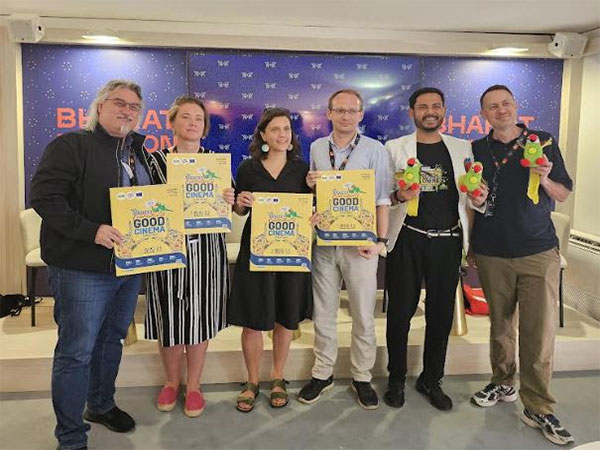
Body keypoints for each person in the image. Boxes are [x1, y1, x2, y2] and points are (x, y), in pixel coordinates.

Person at [30, 79, 152, 450]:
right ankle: (69, 438)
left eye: (134, 106)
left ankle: (100, 405)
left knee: (111, 341)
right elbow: (44, 198)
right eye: (119, 103)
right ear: (99, 107)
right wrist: (91, 230)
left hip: (126, 268)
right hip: (80, 267)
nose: (127, 110)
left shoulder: (138, 153)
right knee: (76, 351)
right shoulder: (71, 145)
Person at [469, 85, 574, 446]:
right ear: (483, 114)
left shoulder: (542, 141)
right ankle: (502, 384)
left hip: (537, 250)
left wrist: (544, 176)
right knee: (500, 326)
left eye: (506, 104)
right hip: (491, 251)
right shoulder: (477, 149)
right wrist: (475, 205)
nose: (501, 111)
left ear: (516, 107)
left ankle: (539, 406)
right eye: (493, 107)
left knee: (538, 331)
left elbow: (562, 193)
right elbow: (475, 201)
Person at [383, 87, 487, 411]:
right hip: (407, 239)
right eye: (423, 106)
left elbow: (470, 194)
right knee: (399, 314)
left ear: (444, 110)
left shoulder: (462, 147)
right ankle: (396, 379)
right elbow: (383, 195)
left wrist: (479, 199)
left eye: (436, 106)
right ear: (411, 111)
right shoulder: (394, 148)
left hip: (447, 241)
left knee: (441, 316)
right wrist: (400, 195)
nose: (430, 111)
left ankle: (431, 379)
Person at [298, 89, 390, 410]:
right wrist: (311, 187)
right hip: (324, 243)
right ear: (329, 113)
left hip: (360, 246)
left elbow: (382, 199)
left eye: (352, 111)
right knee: (323, 313)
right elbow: (318, 194)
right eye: (340, 110)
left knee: (363, 313)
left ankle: (361, 376)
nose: (346, 116)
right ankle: (322, 373)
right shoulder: (316, 148)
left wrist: (380, 241)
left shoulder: (375, 150)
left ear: (361, 115)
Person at [144, 96, 234, 417]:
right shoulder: (153, 161)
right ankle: (171, 381)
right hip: (166, 249)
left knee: (199, 318)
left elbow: (233, 207)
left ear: (205, 127)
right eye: (185, 117)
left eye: (198, 118)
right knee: (169, 316)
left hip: (207, 251)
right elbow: (143, 202)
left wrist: (229, 197)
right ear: (172, 123)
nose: (193, 122)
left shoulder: (216, 162)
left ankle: (193, 385)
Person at [228, 107, 313, 412]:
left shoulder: (303, 171)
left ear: (292, 136)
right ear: (263, 135)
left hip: (291, 252)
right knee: (253, 319)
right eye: (275, 129)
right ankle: (251, 381)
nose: (281, 134)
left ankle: (278, 377)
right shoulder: (249, 169)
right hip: (258, 251)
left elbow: (311, 211)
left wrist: (314, 212)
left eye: (286, 130)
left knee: (285, 317)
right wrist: (239, 203)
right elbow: (239, 212)